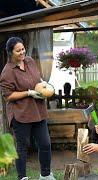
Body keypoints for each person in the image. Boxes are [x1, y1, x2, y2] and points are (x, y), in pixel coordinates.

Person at [0, 37, 55, 180]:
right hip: (21, 114)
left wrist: (44, 85)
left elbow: (38, 79)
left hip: (38, 111)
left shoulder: (30, 61)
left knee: (45, 143)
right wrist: (28, 93)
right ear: (10, 52)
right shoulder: (7, 72)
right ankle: (22, 177)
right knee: (22, 147)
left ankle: (45, 175)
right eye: (18, 50)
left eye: (23, 49)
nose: (22, 52)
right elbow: (8, 96)